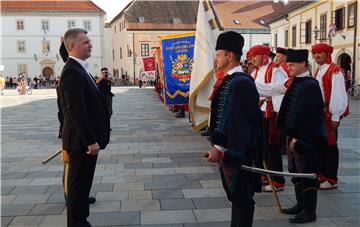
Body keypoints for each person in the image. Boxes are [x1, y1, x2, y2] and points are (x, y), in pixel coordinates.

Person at [207, 31, 262, 227]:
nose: (216, 58)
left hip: (238, 151)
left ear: (230, 56)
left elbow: (237, 121)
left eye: (218, 54)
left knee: (242, 198)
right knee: (236, 197)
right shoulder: (231, 80)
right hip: (229, 150)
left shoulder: (240, 82)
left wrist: (218, 147)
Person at [59, 28, 110, 227]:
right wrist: (90, 141)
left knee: (83, 185)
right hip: (81, 142)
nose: (91, 44)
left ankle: (81, 219)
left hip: (85, 141)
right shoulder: (72, 70)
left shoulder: (80, 68)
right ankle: (77, 223)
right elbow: (76, 111)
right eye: (86, 42)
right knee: (78, 186)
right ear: (73, 46)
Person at [278, 49, 327, 223]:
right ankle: (300, 204)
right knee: (295, 172)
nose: (288, 67)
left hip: (306, 139)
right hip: (293, 136)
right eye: (288, 64)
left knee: (307, 174)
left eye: (291, 65)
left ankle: (309, 211)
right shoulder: (297, 82)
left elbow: (311, 116)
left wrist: (299, 138)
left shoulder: (310, 85)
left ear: (303, 64)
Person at [57, 40, 97, 207]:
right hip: (73, 132)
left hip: (76, 130)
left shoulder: (77, 70)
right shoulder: (70, 72)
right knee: (72, 173)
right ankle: (70, 197)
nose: (90, 45)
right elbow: (69, 110)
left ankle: (79, 197)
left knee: (80, 177)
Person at [248, 45, 288, 192]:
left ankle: (277, 179)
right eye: (251, 57)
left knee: (272, 146)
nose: (252, 59)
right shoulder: (255, 72)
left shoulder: (276, 69)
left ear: (264, 55)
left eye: (255, 56)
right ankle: (265, 174)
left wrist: (262, 95)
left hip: (271, 112)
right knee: (261, 146)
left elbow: (281, 88)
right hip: (260, 113)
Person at [311, 43, 348, 190]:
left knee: (330, 147)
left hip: (329, 113)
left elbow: (338, 95)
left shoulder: (335, 71)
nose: (316, 56)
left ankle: (332, 178)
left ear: (327, 54)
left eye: (319, 53)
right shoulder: (319, 70)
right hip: (320, 113)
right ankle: (323, 175)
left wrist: (335, 117)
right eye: (314, 53)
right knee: (321, 145)